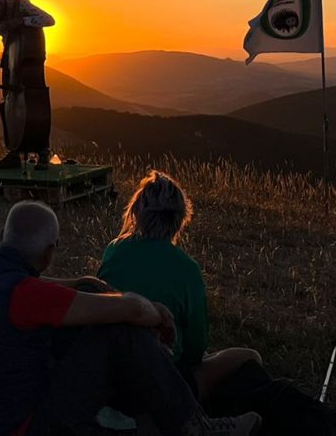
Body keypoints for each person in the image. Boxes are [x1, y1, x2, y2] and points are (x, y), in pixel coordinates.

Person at [0, 200, 261, 436]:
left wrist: (96, 286)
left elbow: (67, 288)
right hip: (25, 427)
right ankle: (195, 426)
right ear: (47, 253)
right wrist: (154, 313)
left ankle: (153, 416)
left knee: (102, 312)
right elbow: (133, 311)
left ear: (5, 236)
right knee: (117, 333)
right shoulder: (26, 295)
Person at [98, 170, 260, 401]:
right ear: (180, 218)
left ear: (137, 212)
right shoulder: (187, 268)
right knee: (250, 357)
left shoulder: (114, 251)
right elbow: (195, 351)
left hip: (111, 372)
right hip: (162, 382)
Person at [0, 0, 55, 170]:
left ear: (0, 0)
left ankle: (43, 151)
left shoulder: (20, 4)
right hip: (10, 59)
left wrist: (22, 21)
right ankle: (14, 151)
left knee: (36, 105)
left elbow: (49, 20)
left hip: (30, 57)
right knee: (10, 103)